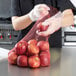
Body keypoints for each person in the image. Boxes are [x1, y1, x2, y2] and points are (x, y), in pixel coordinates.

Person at [11, 0, 75, 48]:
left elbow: (69, 17)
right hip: (25, 50)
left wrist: (58, 22)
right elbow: (16, 25)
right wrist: (31, 16)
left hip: (52, 50)